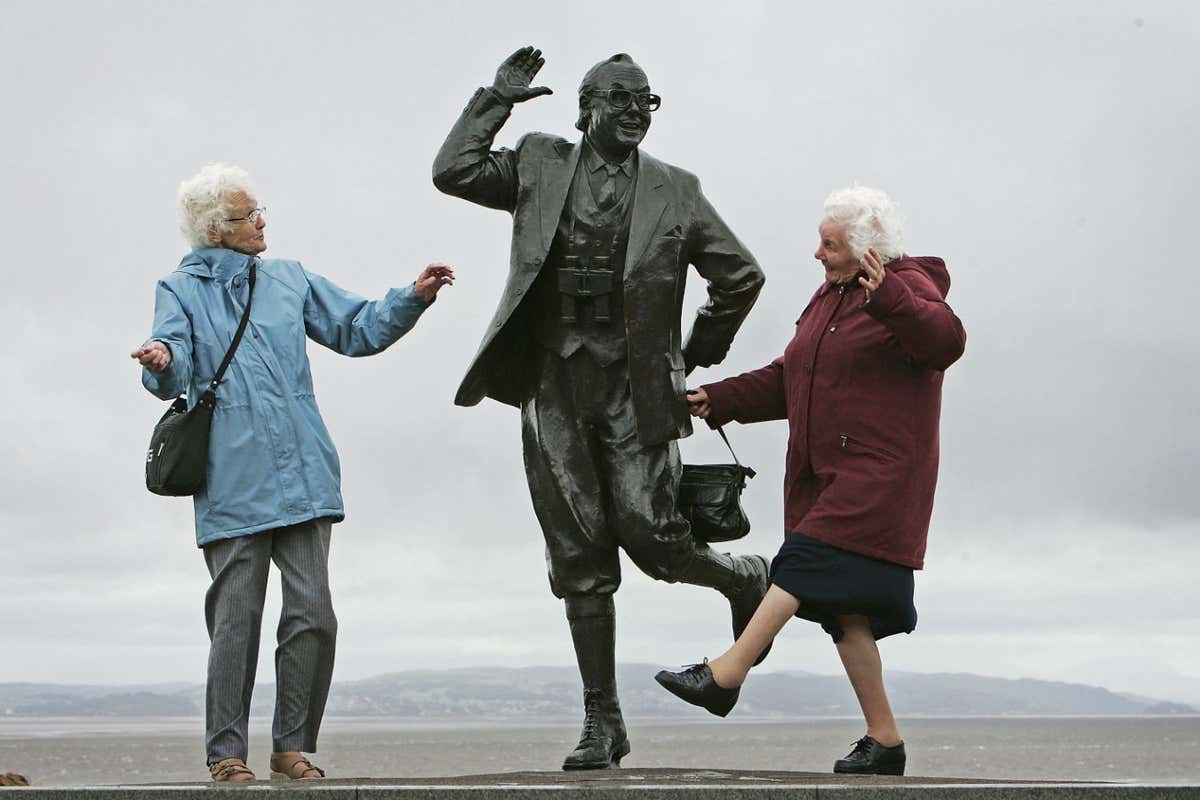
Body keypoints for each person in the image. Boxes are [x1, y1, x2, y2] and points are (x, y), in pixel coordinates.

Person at [432, 47, 769, 769]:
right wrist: (496, 98)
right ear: (586, 108)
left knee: (654, 538)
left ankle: (742, 577)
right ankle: (602, 720)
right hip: (552, 381)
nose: (635, 114)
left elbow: (740, 275)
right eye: (621, 101)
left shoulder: (676, 190)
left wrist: (694, 353)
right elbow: (452, 170)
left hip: (632, 386)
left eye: (646, 102)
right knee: (578, 555)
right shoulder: (539, 164)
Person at [132, 163, 453, 782]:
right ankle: (226, 755)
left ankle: (292, 747)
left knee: (314, 614)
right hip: (231, 477)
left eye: (260, 210)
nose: (260, 221)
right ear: (215, 231)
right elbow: (168, 356)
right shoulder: (179, 289)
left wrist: (411, 298)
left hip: (304, 472)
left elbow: (356, 328)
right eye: (246, 215)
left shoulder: (289, 279)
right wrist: (160, 360)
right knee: (236, 621)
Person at [655, 186, 966, 776]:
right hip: (826, 474)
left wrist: (892, 297)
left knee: (798, 562)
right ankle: (885, 742)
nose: (816, 253)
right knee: (846, 615)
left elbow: (945, 342)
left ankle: (727, 674)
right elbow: (788, 379)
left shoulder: (909, 285)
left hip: (881, 474)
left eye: (829, 243)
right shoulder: (828, 299)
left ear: (866, 249)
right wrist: (715, 398)